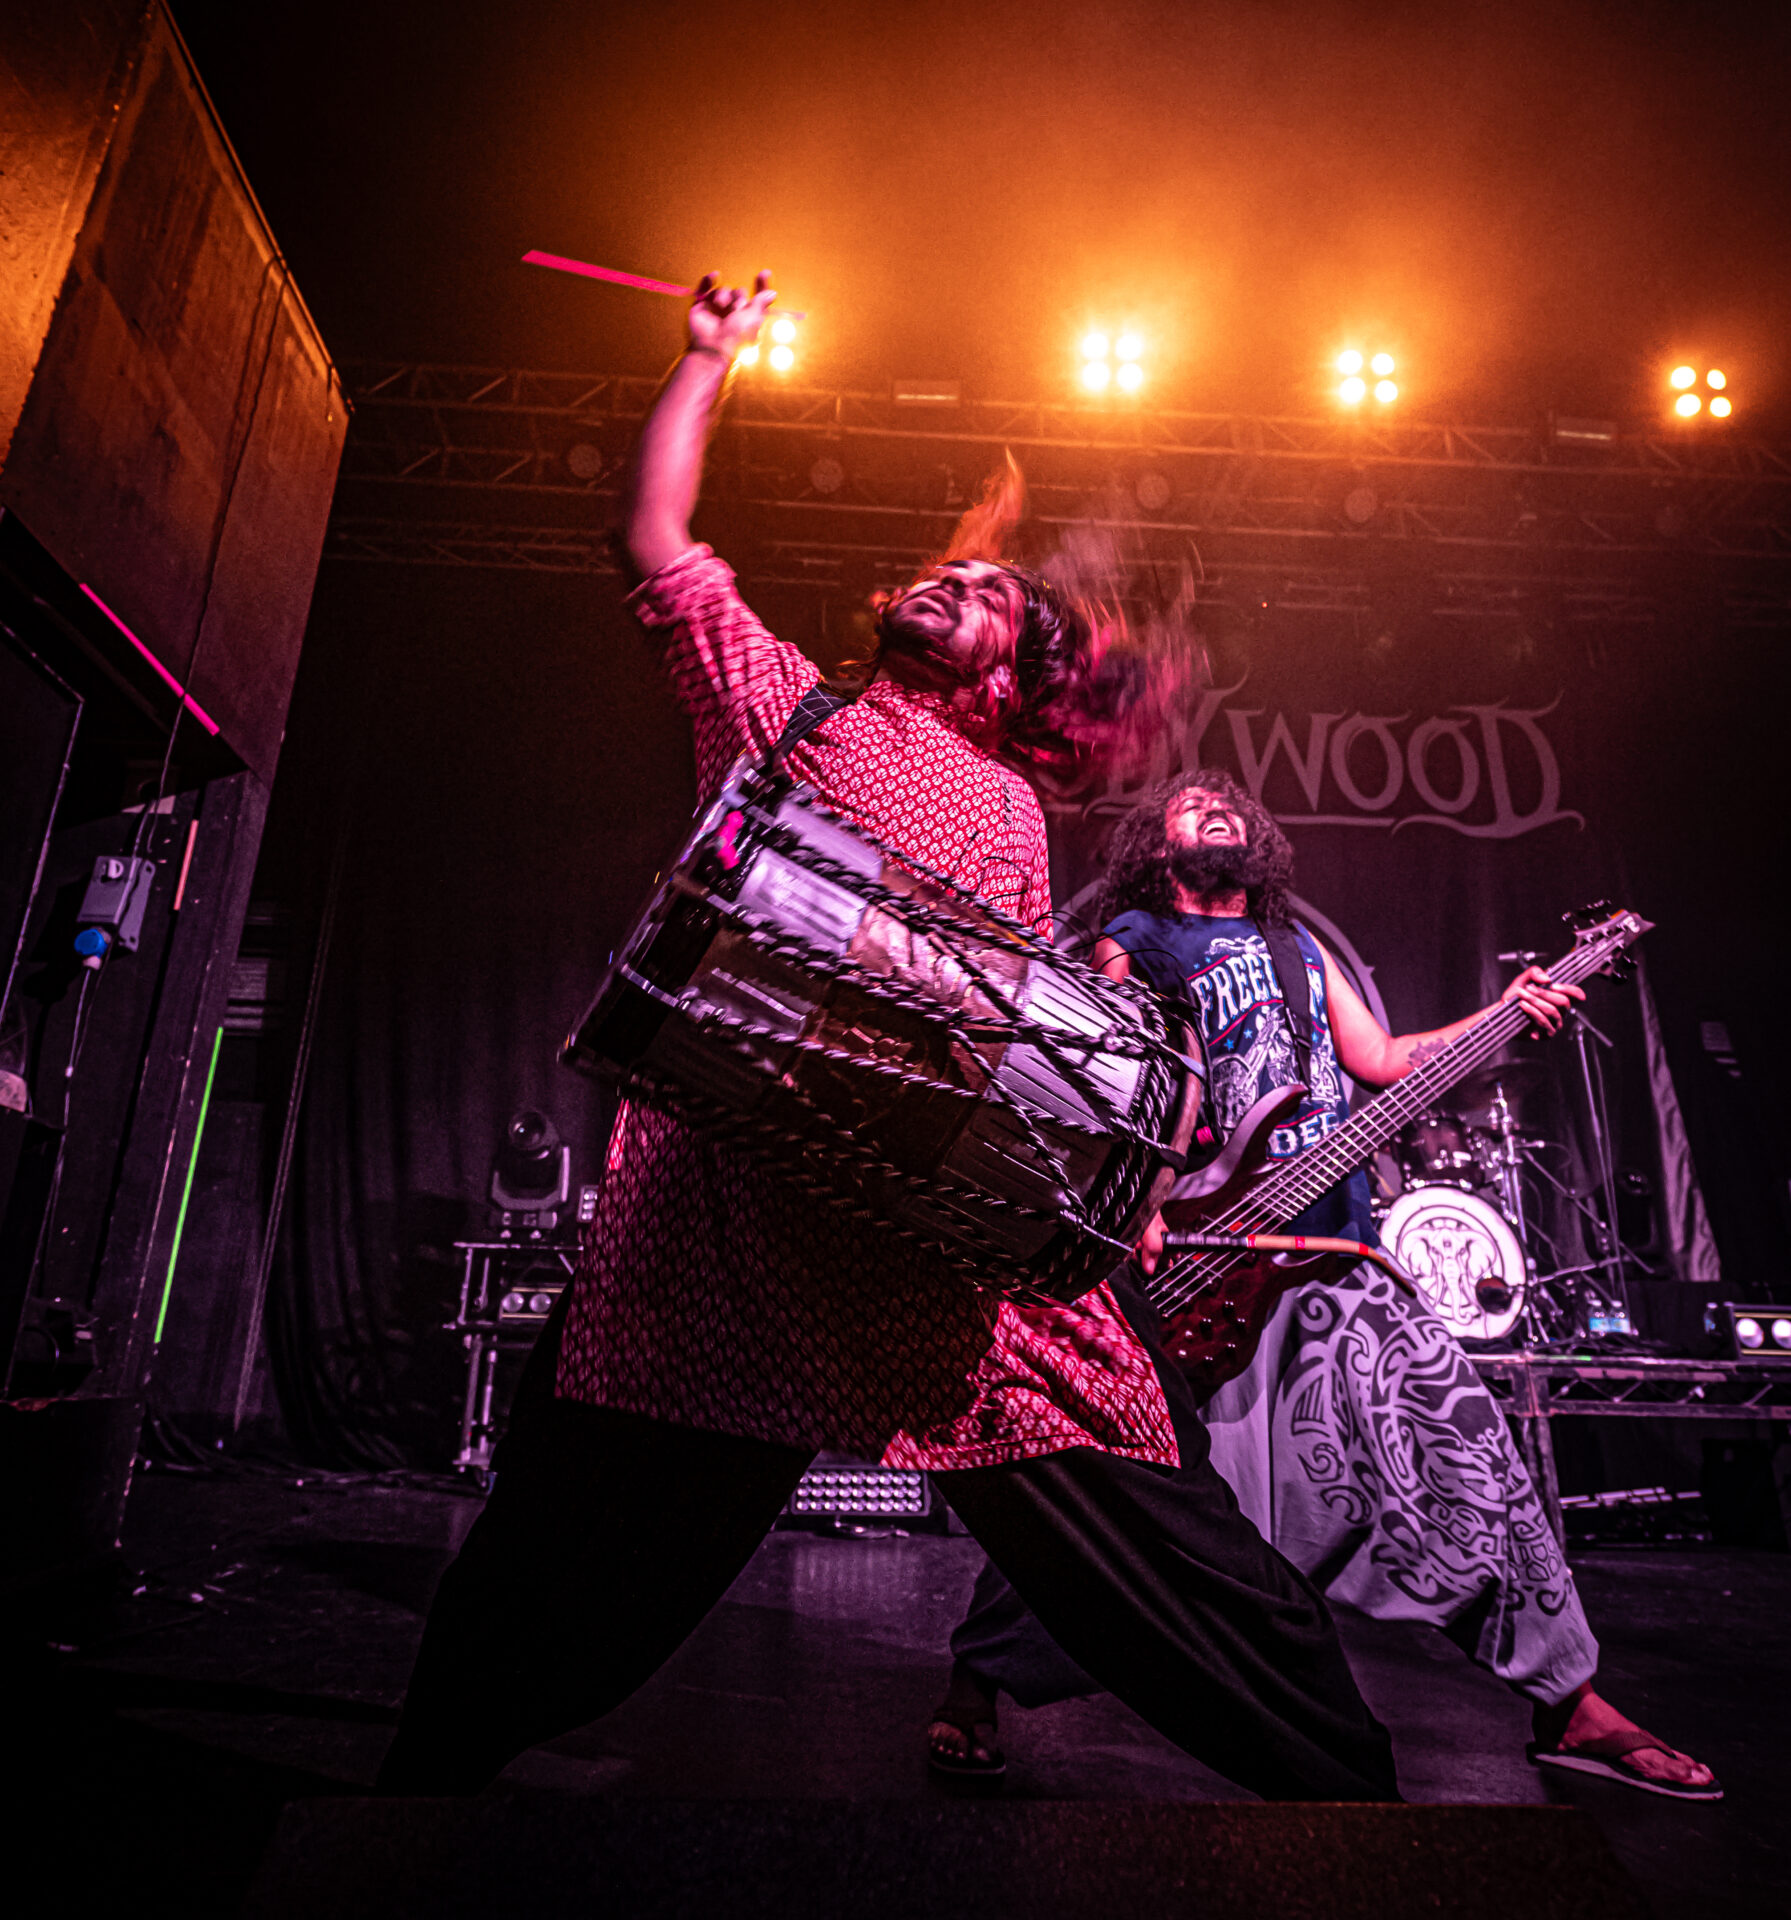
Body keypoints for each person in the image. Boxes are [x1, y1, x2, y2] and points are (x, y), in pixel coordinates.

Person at [376, 274, 1399, 1802]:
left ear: (1011, 680)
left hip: (944, 1268)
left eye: (983, 592)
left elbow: (1013, 1038)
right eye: (943, 570)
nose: (948, 581)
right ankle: (414, 1809)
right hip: (736, 1228)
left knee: (1167, 1546)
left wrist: (1100, 1176)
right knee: (571, 1550)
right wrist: (705, 362)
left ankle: (1356, 1803)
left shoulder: (1008, 810)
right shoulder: (783, 714)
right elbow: (658, 544)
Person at [927, 771, 1721, 1801]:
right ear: (1156, 845)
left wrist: (1502, 1015)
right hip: (1204, 1260)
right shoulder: (1134, 937)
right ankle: (979, 1680)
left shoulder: (1297, 945)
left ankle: (1570, 1703)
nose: (1213, 804)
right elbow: (1117, 1074)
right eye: (1188, 802)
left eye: (1227, 801)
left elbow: (1381, 1060)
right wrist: (1135, 1193)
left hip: (1333, 1259)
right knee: (1132, 1493)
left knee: (1460, 1449)